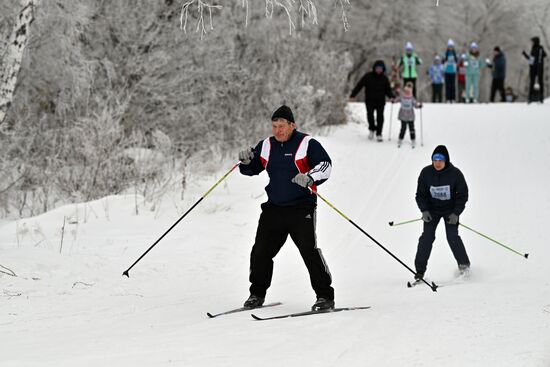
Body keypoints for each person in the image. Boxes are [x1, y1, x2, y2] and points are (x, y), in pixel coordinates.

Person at [238, 105, 335, 311]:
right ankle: (256, 294)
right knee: (260, 252)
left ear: (292, 125)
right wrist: (245, 161)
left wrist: (310, 177)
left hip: (301, 208)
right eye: (274, 126)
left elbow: (325, 165)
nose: (278, 130)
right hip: (274, 209)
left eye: (282, 126)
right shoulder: (266, 145)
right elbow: (251, 169)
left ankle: (325, 296)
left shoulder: (307, 143)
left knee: (309, 251)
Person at [414, 145, 470, 281]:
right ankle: (419, 272)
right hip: (432, 211)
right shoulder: (426, 173)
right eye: (435, 159)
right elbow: (420, 195)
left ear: (446, 160)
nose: (437, 163)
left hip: (450, 211)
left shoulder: (455, 174)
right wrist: (424, 210)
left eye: (440, 160)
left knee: (452, 236)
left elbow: (462, 195)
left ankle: (464, 266)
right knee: (426, 237)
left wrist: (456, 213)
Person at [350, 60, 394, 142]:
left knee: (380, 117)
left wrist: (391, 97)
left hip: (380, 101)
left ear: (383, 69)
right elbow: (359, 85)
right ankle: (372, 129)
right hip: (369, 100)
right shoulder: (368, 76)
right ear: (374, 68)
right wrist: (353, 94)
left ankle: (379, 133)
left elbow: (388, 90)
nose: (379, 70)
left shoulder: (384, 78)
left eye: (380, 68)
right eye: (377, 68)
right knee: (370, 116)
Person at [394, 82, 422, 148]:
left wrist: (419, 106)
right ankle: (400, 138)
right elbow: (396, 100)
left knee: (411, 128)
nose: (407, 92)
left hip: (410, 116)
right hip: (403, 115)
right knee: (403, 128)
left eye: (408, 91)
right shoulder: (402, 97)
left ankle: (413, 139)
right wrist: (393, 101)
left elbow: (415, 104)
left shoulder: (411, 98)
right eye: (406, 91)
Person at [522, 36, 547, 103]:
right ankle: (530, 97)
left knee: (540, 82)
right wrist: (525, 55)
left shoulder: (540, 48)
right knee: (532, 82)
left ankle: (541, 97)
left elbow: (544, 55)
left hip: (539, 68)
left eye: (532, 42)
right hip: (533, 68)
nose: (531, 43)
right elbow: (531, 60)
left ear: (535, 42)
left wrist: (539, 63)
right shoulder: (533, 49)